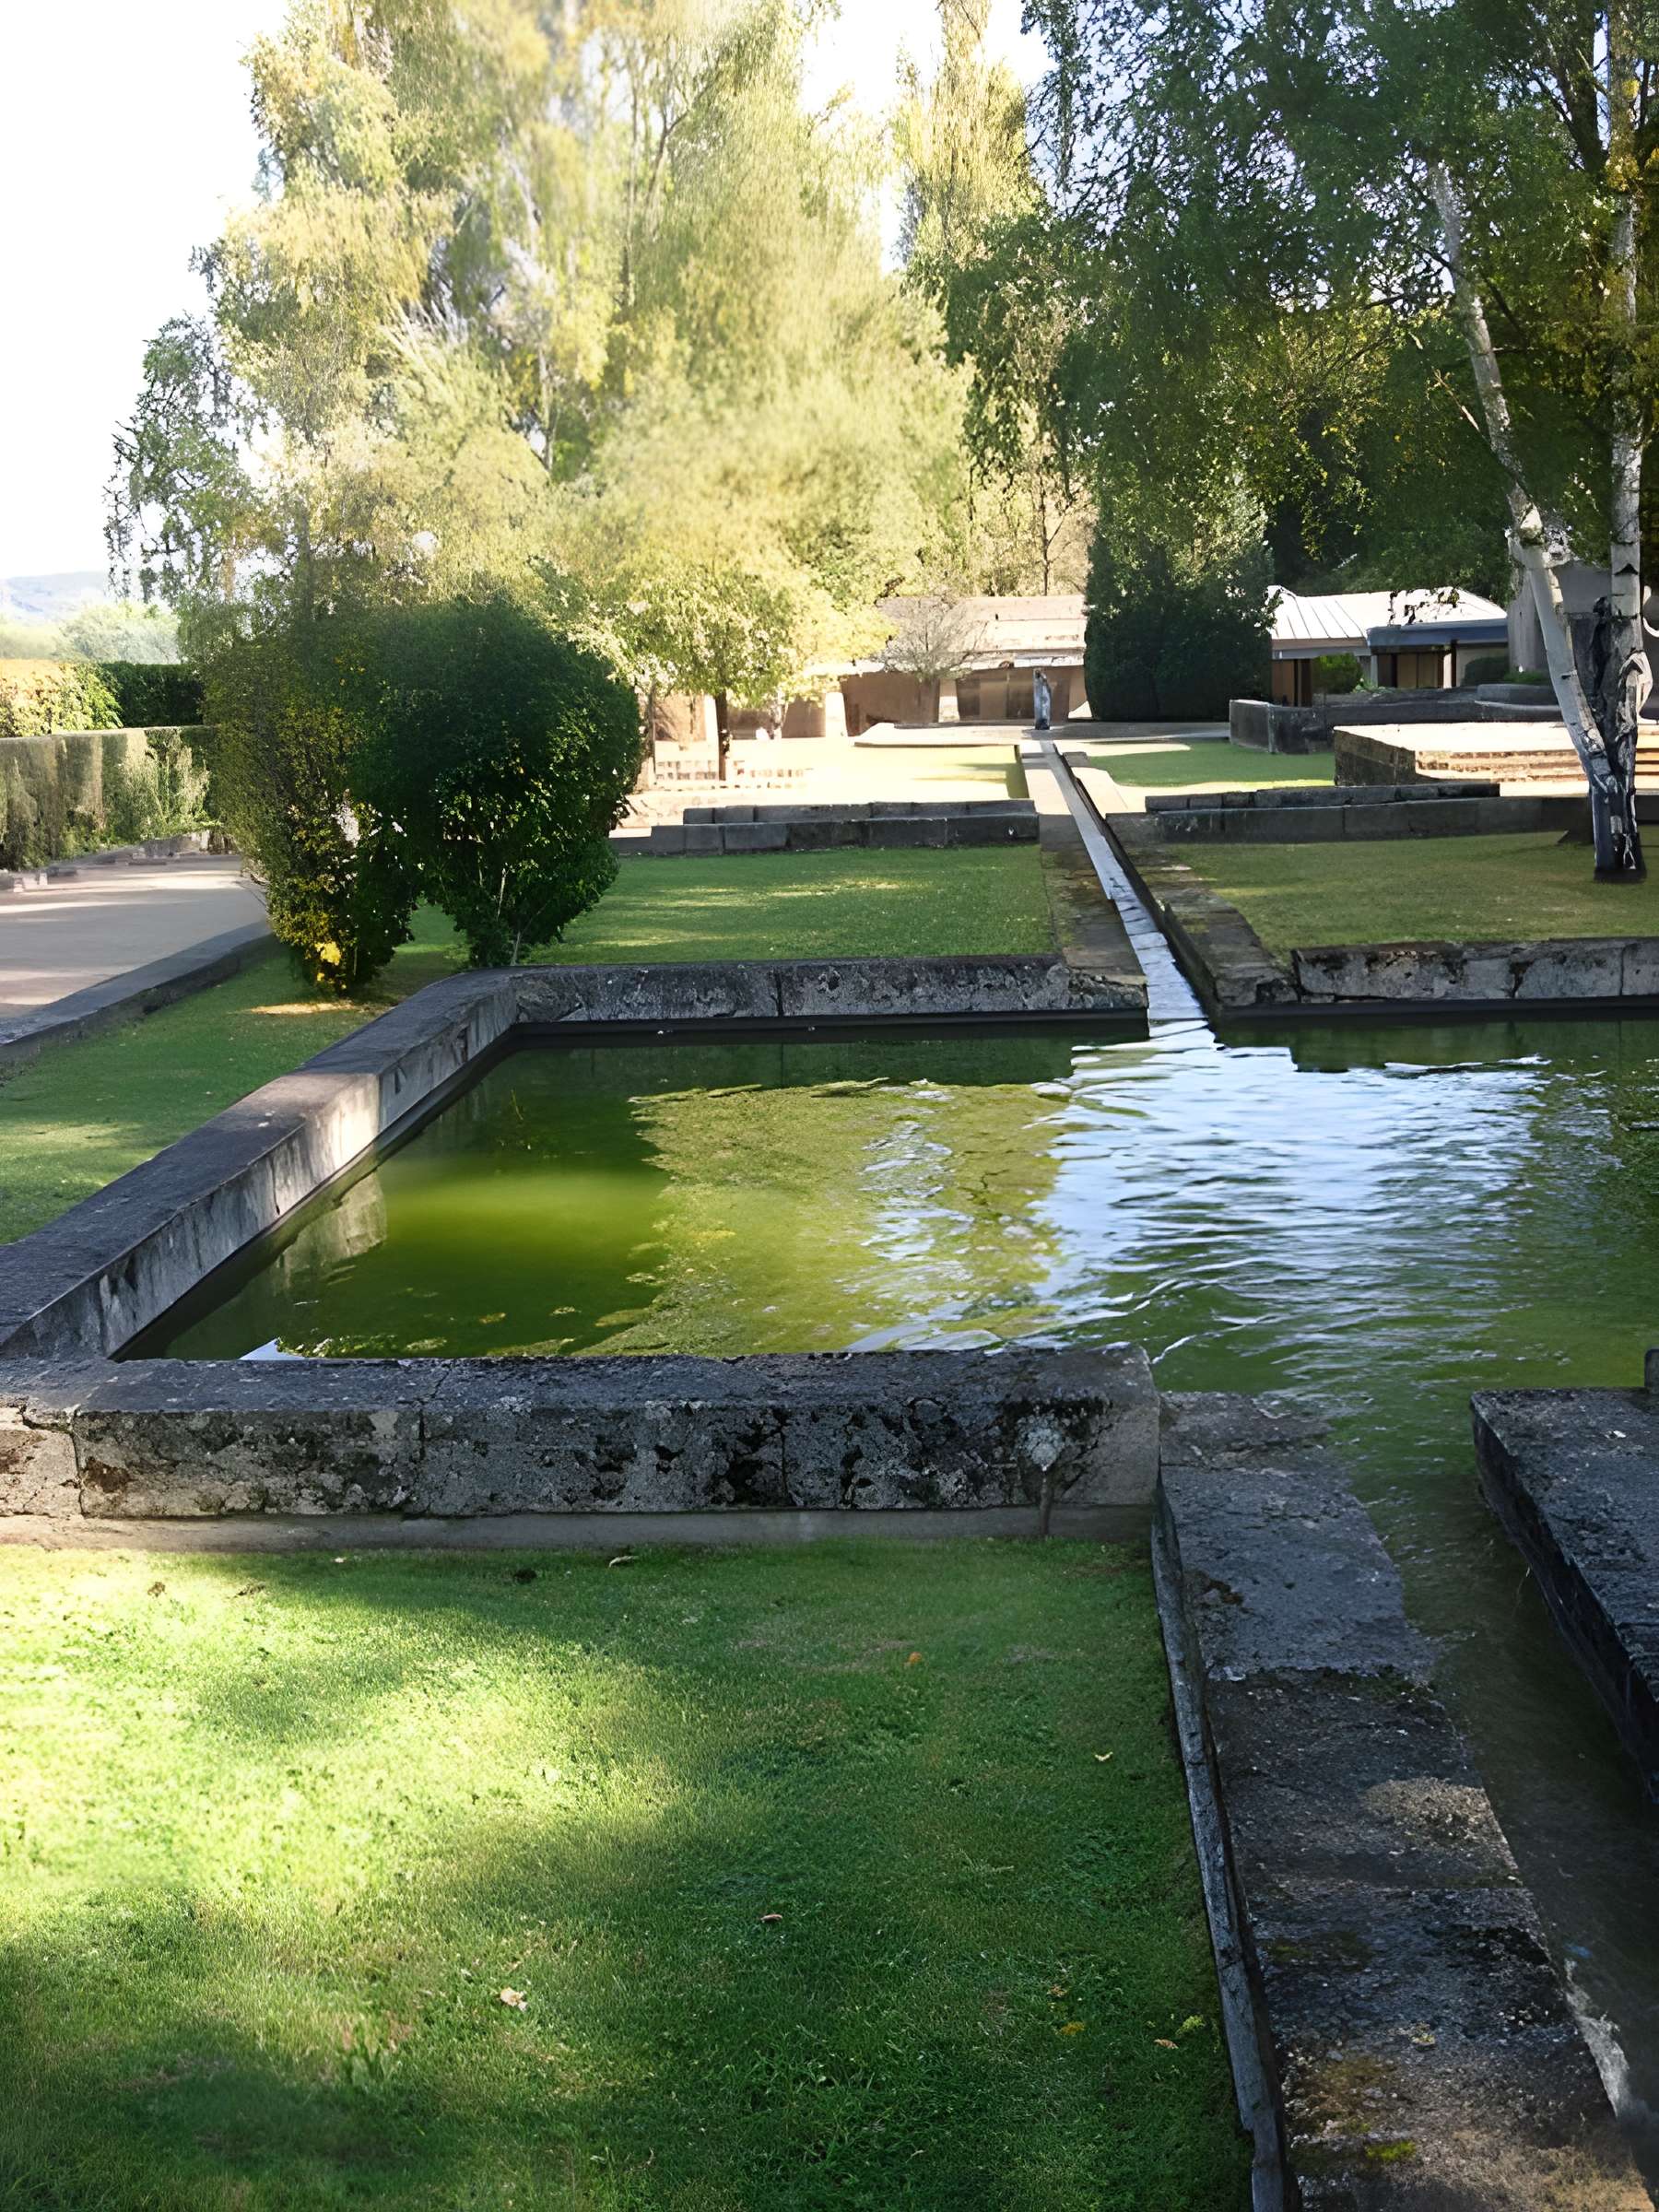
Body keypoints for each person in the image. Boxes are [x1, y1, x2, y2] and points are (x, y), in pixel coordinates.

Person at [1032, 668, 1052, 732]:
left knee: (1044, 708)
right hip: (1038, 696)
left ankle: (1045, 723)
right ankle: (1039, 723)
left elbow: (1046, 684)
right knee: (1038, 707)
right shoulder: (1036, 680)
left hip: (1043, 696)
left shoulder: (1043, 678)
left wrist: (1043, 678)